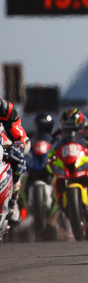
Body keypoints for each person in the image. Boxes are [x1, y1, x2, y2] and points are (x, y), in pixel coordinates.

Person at [0, 97, 30, 226]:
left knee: (17, 155)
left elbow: (20, 134)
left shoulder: (5, 108)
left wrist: (20, 144)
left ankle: (14, 199)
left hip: (2, 143)